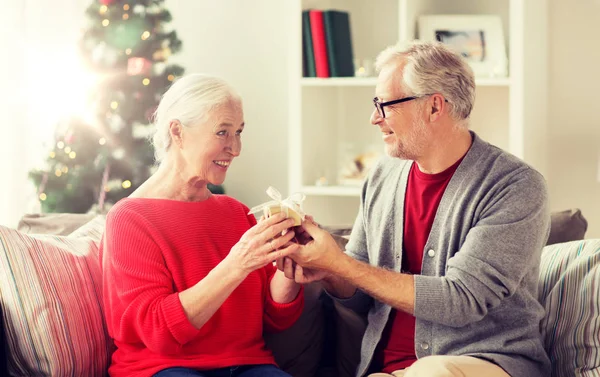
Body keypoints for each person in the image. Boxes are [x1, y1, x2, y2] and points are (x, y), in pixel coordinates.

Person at [284, 41, 551, 377]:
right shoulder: (382, 176)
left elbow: (461, 300)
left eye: (385, 105)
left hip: (486, 363)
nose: (374, 118)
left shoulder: (514, 186)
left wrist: (343, 264)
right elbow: (361, 295)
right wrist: (328, 270)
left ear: (435, 107)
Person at [100, 74, 304, 377]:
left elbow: (274, 319)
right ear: (178, 132)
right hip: (163, 368)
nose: (235, 149)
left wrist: (292, 267)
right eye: (222, 132)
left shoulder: (237, 213)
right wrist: (236, 265)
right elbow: (158, 331)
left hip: (249, 366)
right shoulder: (130, 218)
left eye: (238, 132)